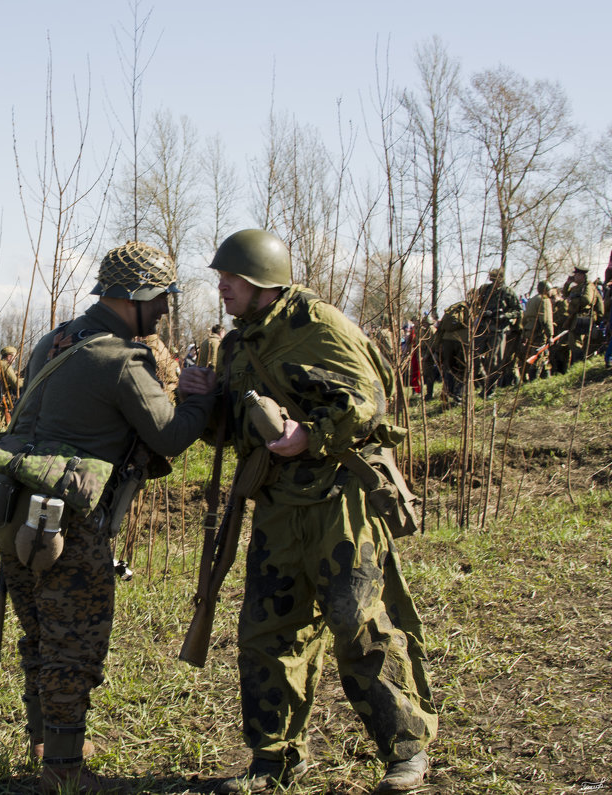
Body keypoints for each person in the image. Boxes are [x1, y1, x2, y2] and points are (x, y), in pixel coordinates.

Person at [192, 229, 435, 794]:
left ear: (262, 285)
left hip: (338, 501)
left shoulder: (320, 327)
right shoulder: (235, 344)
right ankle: (272, 760)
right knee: (266, 631)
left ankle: (407, 751)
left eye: (232, 279)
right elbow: (228, 434)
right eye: (222, 279)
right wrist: (203, 401)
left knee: (359, 623)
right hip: (276, 506)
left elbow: (369, 402)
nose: (222, 288)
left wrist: (312, 435)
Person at [1, 241, 216, 793]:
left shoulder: (54, 341)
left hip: (15, 514)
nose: (166, 310)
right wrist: (200, 399)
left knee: (40, 635)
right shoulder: (123, 358)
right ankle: (64, 772)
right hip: (73, 526)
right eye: (161, 299)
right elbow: (169, 433)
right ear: (134, 298)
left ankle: (46, 741)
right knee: (74, 645)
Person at [475, 267, 521, 393]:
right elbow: (476, 306)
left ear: (501, 280)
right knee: (474, 356)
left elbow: (518, 310)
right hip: (484, 328)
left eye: (496, 280)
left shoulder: (508, 292)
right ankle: (483, 382)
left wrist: (504, 315)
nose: (494, 283)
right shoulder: (485, 290)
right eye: (492, 280)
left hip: (499, 329)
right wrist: (483, 313)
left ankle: (490, 389)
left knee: (494, 360)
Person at [562, 266, 604, 372]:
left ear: (582, 276)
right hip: (576, 317)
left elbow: (586, 299)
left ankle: (579, 365)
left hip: (583, 316)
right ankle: (576, 365)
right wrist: (568, 283)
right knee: (573, 342)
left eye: (577, 275)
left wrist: (573, 300)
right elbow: (565, 294)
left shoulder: (588, 286)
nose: (575, 276)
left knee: (577, 342)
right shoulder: (577, 287)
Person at [519, 280, 554, 381]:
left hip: (529, 331)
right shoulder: (544, 300)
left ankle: (538, 378)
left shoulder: (531, 300)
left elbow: (524, 318)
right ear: (546, 289)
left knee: (532, 354)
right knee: (541, 355)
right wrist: (550, 335)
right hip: (539, 332)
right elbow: (546, 319)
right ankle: (535, 379)